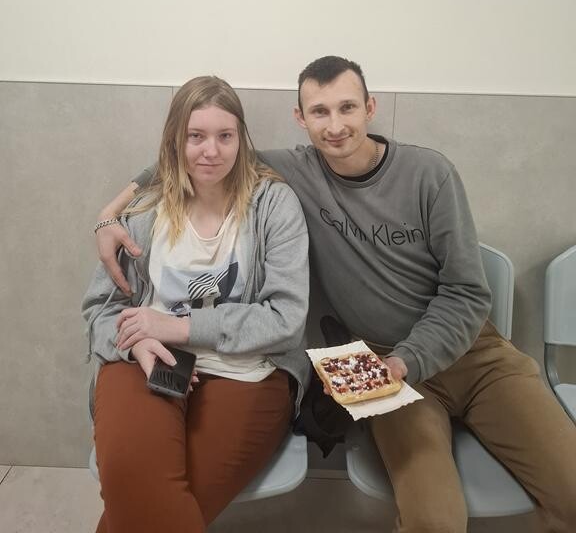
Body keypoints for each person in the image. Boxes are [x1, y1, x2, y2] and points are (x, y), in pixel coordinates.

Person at [94, 57, 576, 533]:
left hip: (474, 355)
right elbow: (192, 155)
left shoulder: (430, 174)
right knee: (434, 520)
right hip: (378, 362)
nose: (336, 126)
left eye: (347, 107)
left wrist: (408, 360)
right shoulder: (293, 171)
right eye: (320, 112)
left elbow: (467, 293)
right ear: (301, 119)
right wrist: (110, 213)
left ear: (370, 107)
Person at [82, 75, 309, 533]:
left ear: (241, 139)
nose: (211, 151)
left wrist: (176, 327)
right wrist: (136, 344)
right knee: (132, 478)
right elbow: (100, 311)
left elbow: (286, 319)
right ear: (175, 140)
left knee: (152, 505)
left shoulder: (274, 205)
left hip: (247, 370)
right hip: (146, 360)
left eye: (225, 136)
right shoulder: (145, 210)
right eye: (195, 136)